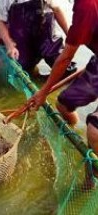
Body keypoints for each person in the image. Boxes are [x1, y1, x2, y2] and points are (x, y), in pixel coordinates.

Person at [27, 0, 98, 188]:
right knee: (63, 104)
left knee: (95, 130)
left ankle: (94, 172)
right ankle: (73, 133)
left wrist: (42, 93)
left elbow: (66, 56)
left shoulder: (86, 4)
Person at [0, 0, 76, 75]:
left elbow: (57, 10)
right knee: (19, 71)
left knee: (65, 68)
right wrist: (9, 45)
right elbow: (0, 21)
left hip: (47, 41)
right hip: (23, 44)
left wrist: (70, 36)